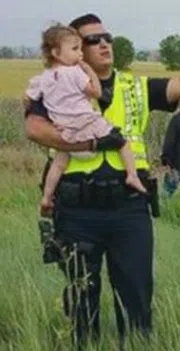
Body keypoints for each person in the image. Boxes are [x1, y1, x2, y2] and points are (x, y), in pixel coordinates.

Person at [23, 13, 180, 351]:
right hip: (77, 208)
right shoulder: (55, 83)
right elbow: (35, 129)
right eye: (92, 40)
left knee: (137, 292)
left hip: (129, 207)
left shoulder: (134, 87)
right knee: (81, 294)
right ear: (74, 48)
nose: (104, 43)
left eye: (106, 37)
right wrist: (91, 144)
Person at [25, 24, 147, 216]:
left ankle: (47, 197)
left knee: (58, 165)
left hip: (66, 134)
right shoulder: (75, 73)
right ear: (57, 52)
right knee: (122, 142)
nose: (80, 55)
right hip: (88, 126)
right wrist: (89, 71)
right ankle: (132, 176)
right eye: (75, 49)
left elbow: (28, 99)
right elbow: (96, 92)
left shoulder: (43, 78)